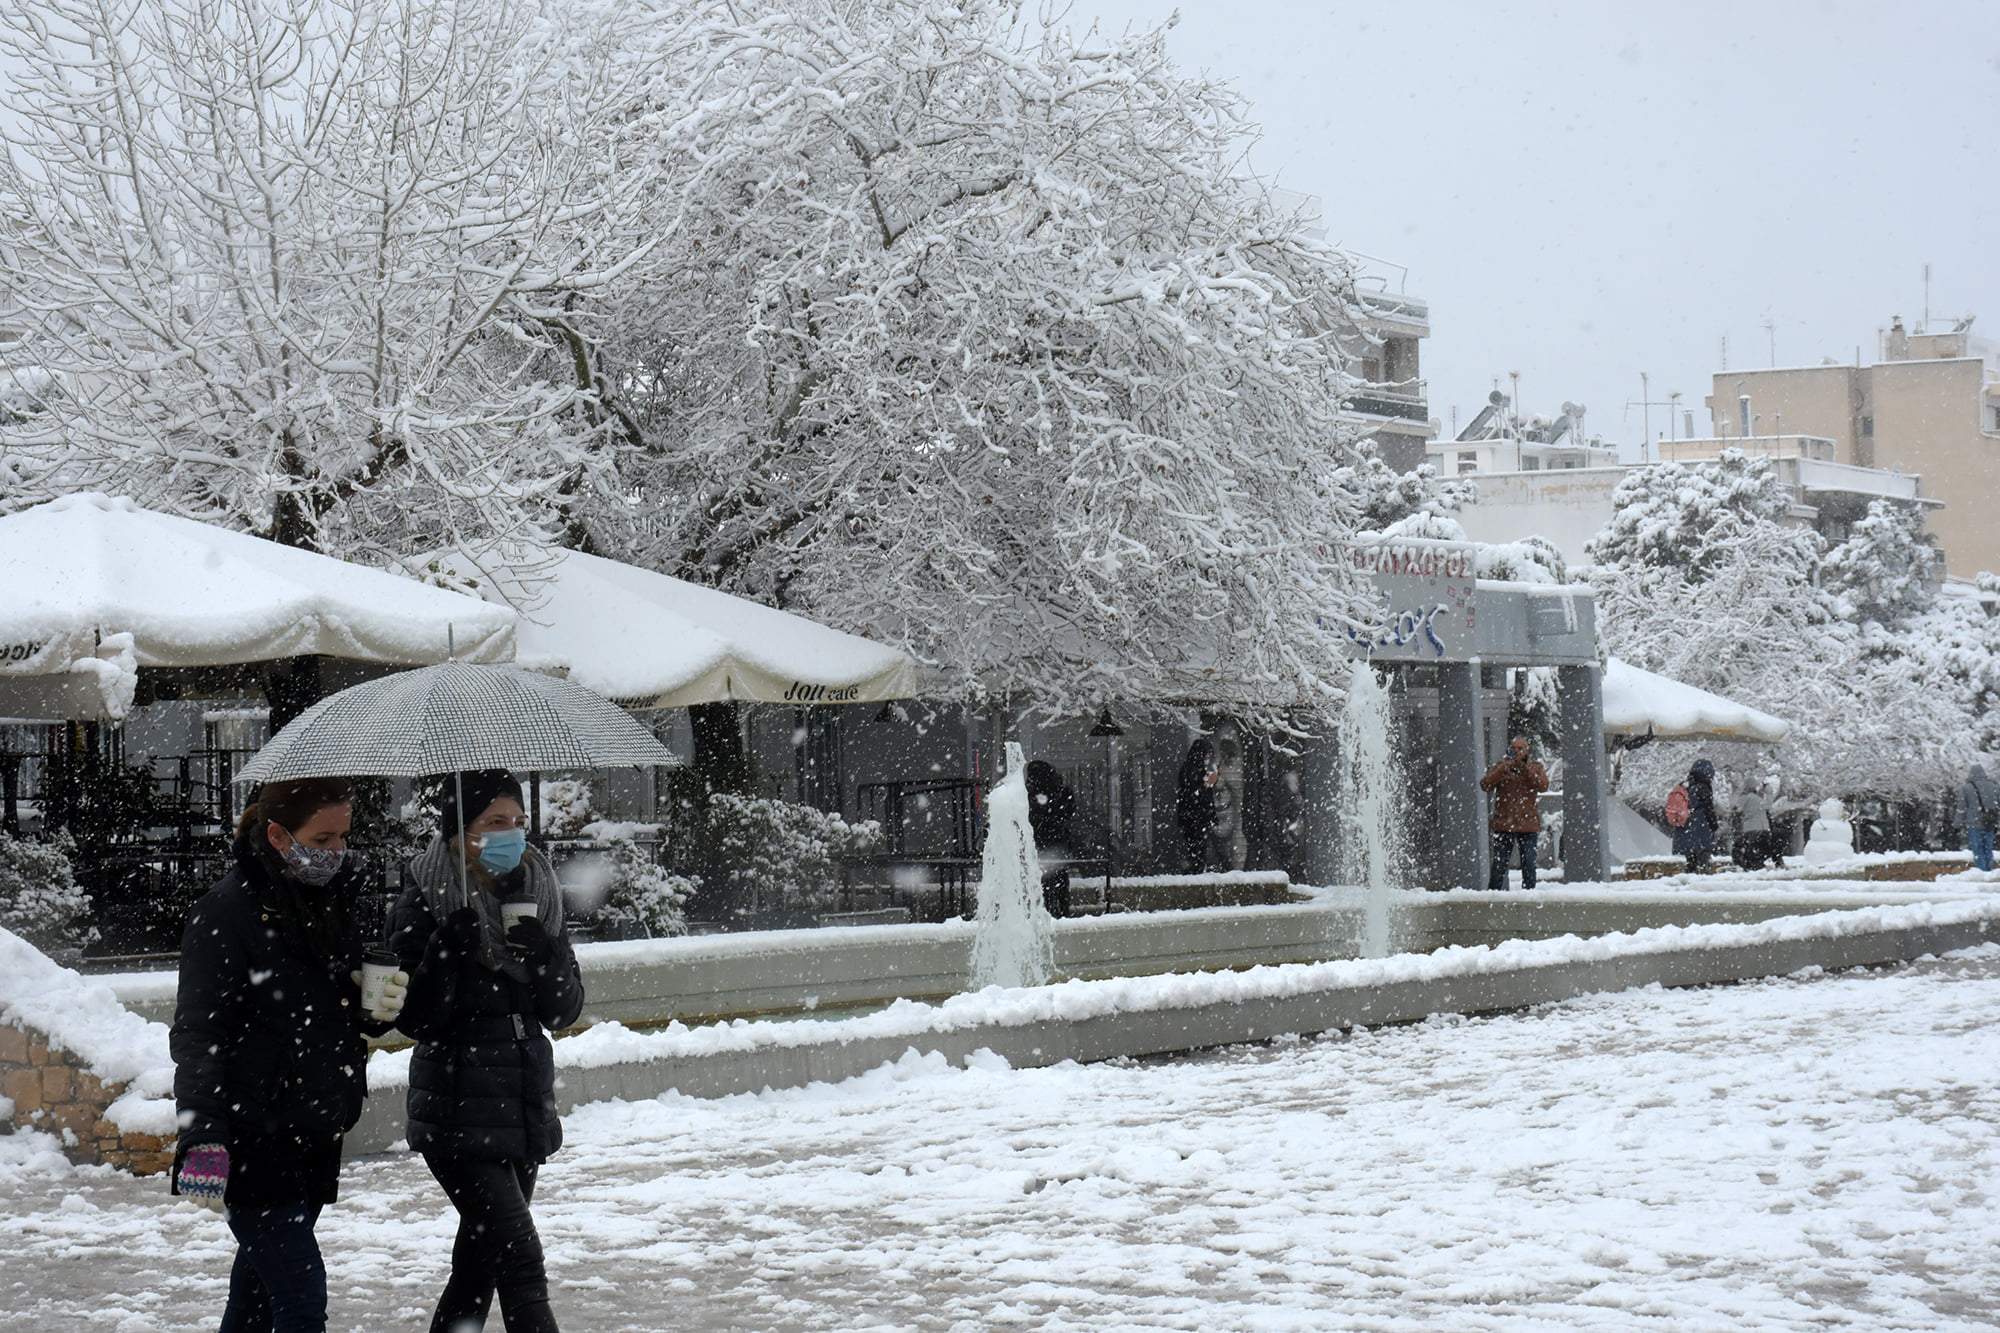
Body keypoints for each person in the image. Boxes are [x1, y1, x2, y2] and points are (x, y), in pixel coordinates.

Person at [169, 777, 408, 1333]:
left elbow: (326, 1010)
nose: (335, 854)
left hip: (317, 1127)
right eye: (322, 839)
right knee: (301, 1301)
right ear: (278, 835)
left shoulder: (327, 901)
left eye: (343, 838)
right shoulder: (223, 913)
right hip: (253, 1133)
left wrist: (372, 1008)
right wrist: (202, 1136)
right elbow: (199, 1035)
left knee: (254, 1298)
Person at [388, 770, 584, 1333]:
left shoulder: (538, 888)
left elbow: (564, 1013)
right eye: (495, 823)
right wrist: (443, 955)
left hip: (523, 1105)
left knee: (478, 1265)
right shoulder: (426, 893)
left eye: (518, 823)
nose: (512, 835)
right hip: (456, 1110)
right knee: (521, 1261)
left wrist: (547, 957)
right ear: (460, 829)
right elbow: (414, 1018)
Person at [1479, 735, 1549, 891]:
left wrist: (1525, 768)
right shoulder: (1501, 766)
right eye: (1514, 748)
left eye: (1520, 748)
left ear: (1527, 750)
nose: (1517, 751)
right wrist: (1503, 768)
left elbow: (1543, 785)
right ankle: (1494, 897)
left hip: (1528, 825)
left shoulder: (1535, 767)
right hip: (1504, 824)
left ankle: (1529, 897)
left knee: (1529, 865)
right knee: (1499, 866)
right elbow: (1486, 784)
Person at [1023, 759, 1077, 917]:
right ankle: (1062, 914)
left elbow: (1030, 817)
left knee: (1040, 885)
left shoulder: (1030, 794)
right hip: (1058, 845)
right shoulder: (1061, 791)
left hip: (1038, 845)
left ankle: (1042, 915)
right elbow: (1069, 812)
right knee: (1060, 884)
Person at [1175, 738, 1219, 873]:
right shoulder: (1191, 769)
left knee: (1198, 847)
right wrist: (1207, 784)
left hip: (1194, 816)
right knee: (1198, 847)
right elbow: (1194, 793)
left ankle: (1198, 867)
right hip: (1195, 817)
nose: (1208, 757)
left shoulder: (1194, 768)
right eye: (1207, 754)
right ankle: (1198, 869)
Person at [1673, 758, 1719, 874]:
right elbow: (1709, 810)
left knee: (1691, 863)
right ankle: (1703, 884)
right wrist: (1714, 825)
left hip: (1686, 830)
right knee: (1704, 862)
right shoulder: (1703, 788)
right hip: (1700, 829)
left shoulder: (1685, 786)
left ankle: (1689, 883)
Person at [1959, 762, 1998, 873]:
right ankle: (1990, 871)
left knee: (1978, 850)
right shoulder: (1994, 787)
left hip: (1974, 823)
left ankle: (1981, 871)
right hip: (1989, 823)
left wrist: (1957, 823)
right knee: (1988, 849)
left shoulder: (1966, 788)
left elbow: (1961, 808)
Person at [1735, 778, 1773, 870]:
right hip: (1758, 827)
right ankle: (1757, 867)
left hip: (1748, 828)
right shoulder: (1753, 798)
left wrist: (1761, 792)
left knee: (1751, 851)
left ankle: (1749, 866)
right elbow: (1767, 805)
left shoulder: (1744, 797)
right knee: (1760, 851)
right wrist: (1769, 792)